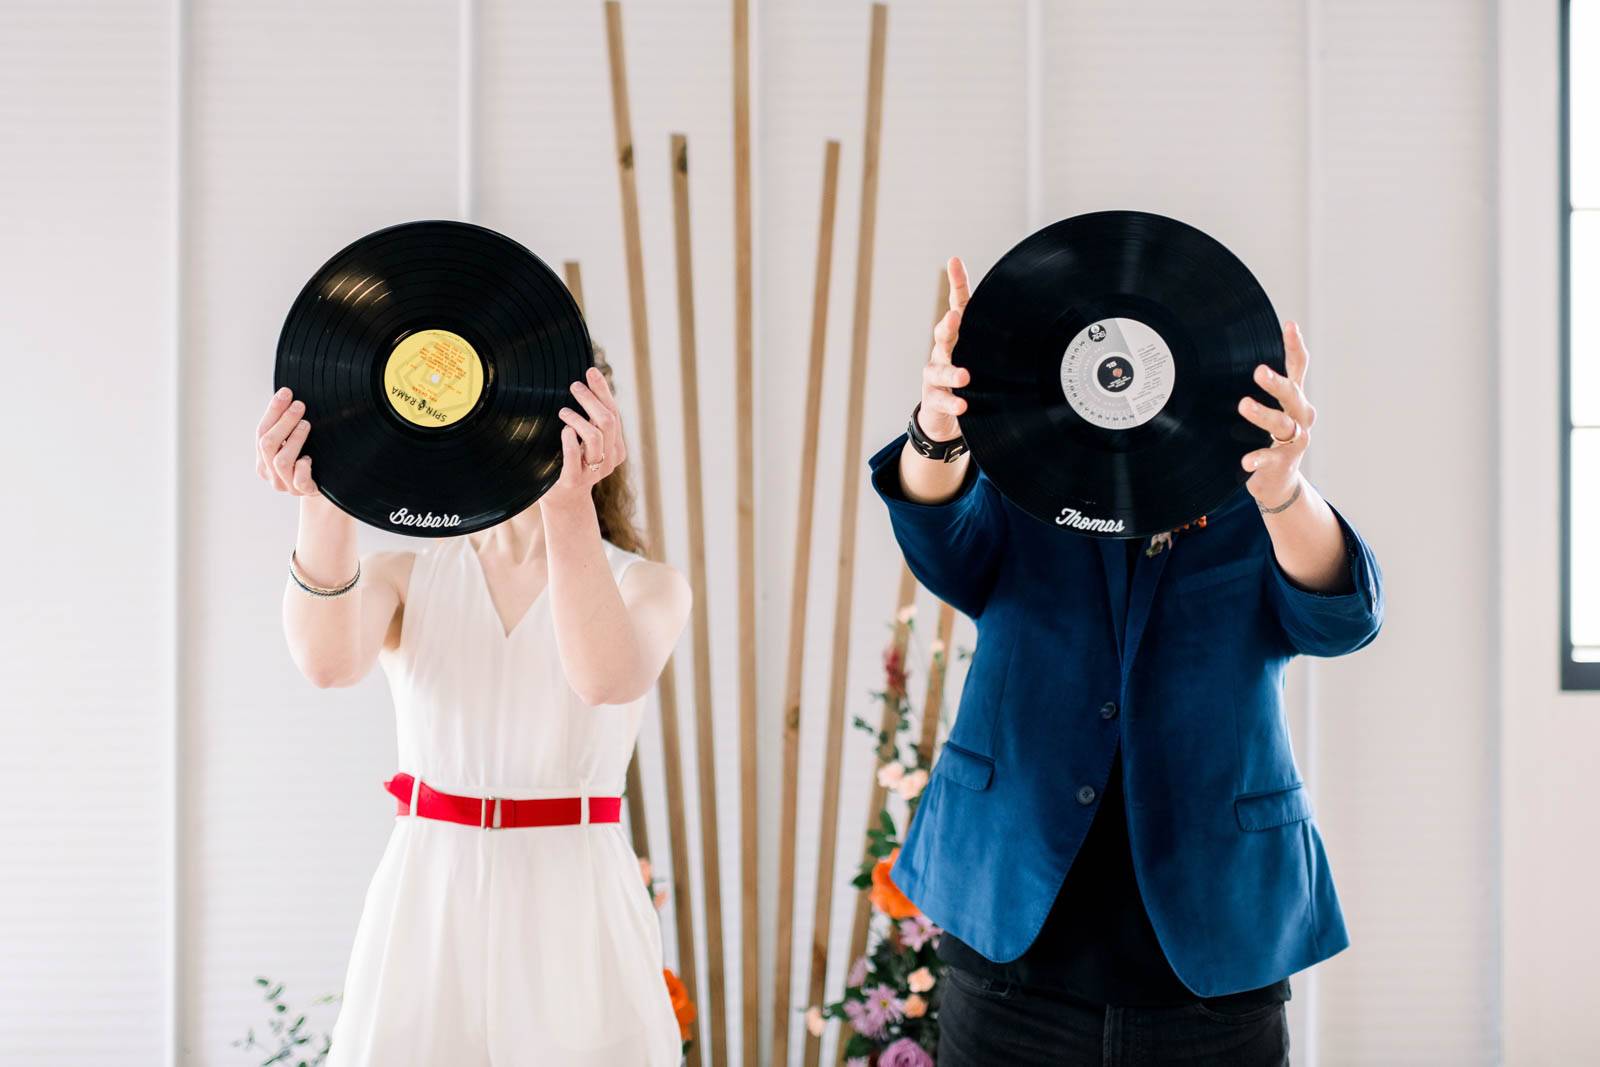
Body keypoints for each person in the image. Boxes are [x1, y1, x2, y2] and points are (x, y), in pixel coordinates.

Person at [869, 258, 1384, 1066]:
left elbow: (1343, 617)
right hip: (1013, 953)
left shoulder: (1257, 498)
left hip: (1217, 966)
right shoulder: (1023, 480)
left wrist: (1284, 488)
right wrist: (938, 430)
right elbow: (941, 540)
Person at [255, 357, 691, 1066]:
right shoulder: (408, 573)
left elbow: (603, 677)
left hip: (575, 898)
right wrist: (324, 490)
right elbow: (328, 662)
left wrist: (566, 499)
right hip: (429, 895)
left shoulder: (650, 586)